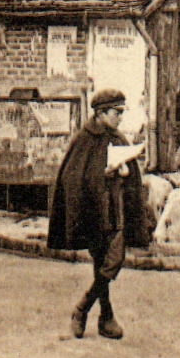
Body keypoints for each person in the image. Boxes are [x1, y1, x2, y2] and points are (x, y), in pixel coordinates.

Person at [48, 87, 150, 340]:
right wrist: (102, 174)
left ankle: (83, 308)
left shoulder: (118, 138)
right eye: (116, 112)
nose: (120, 118)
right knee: (100, 262)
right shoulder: (85, 139)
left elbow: (130, 176)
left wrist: (124, 172)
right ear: (101, 113)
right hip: (93, 212)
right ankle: (106, 317)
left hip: (115, 211)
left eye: (121, 112)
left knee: (114, 259)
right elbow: (72, 177)